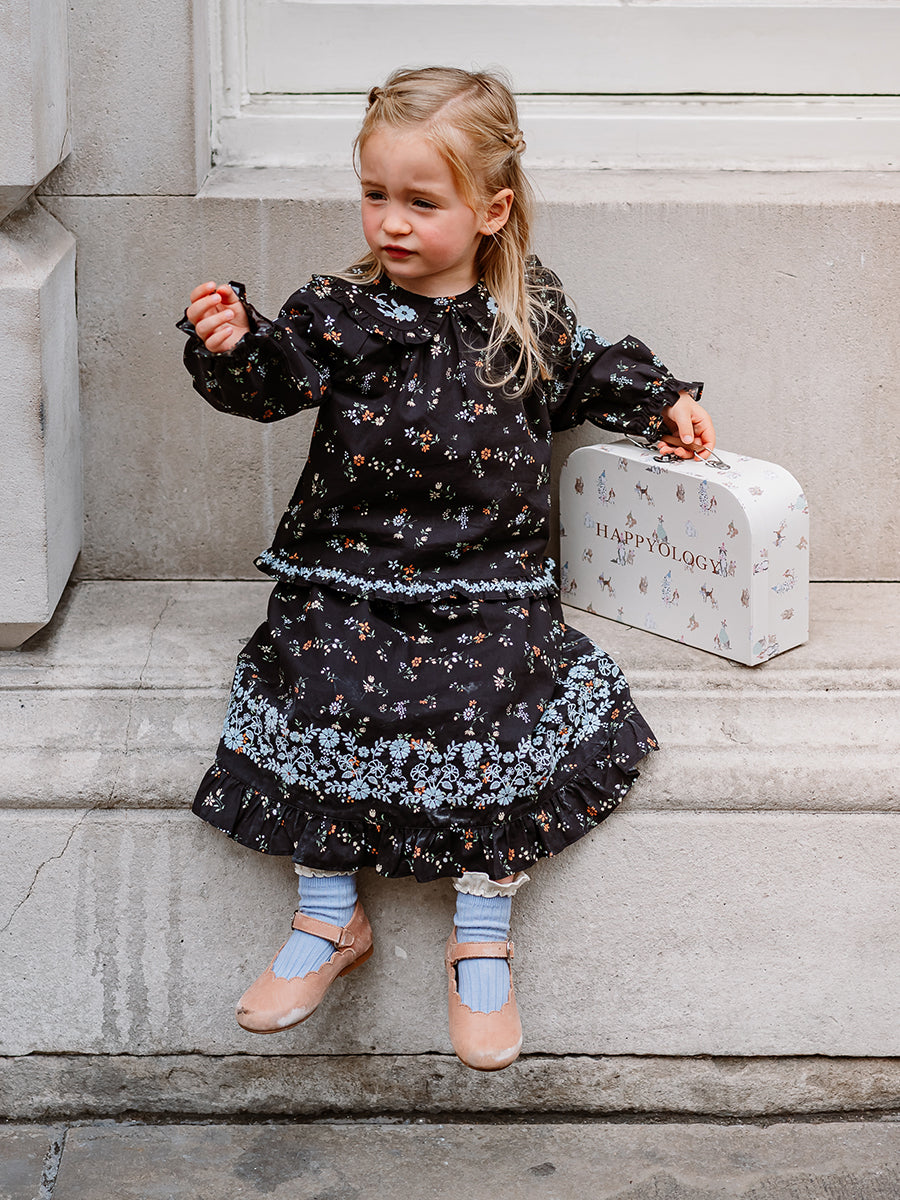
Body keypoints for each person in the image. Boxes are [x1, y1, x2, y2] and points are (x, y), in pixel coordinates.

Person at [178, 66, 715, 1071]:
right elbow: (270, 383)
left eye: (422, 202)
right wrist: (233, 343)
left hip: (489, 583)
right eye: (375, 194)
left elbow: (590, 368)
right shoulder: (338, 311)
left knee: (498, 702)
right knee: (319, 680)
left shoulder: (527, 311)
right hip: (351, 574)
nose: (392, 222)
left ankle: (481, 931)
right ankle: (328, 915)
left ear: (489, 210)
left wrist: (662, 400)